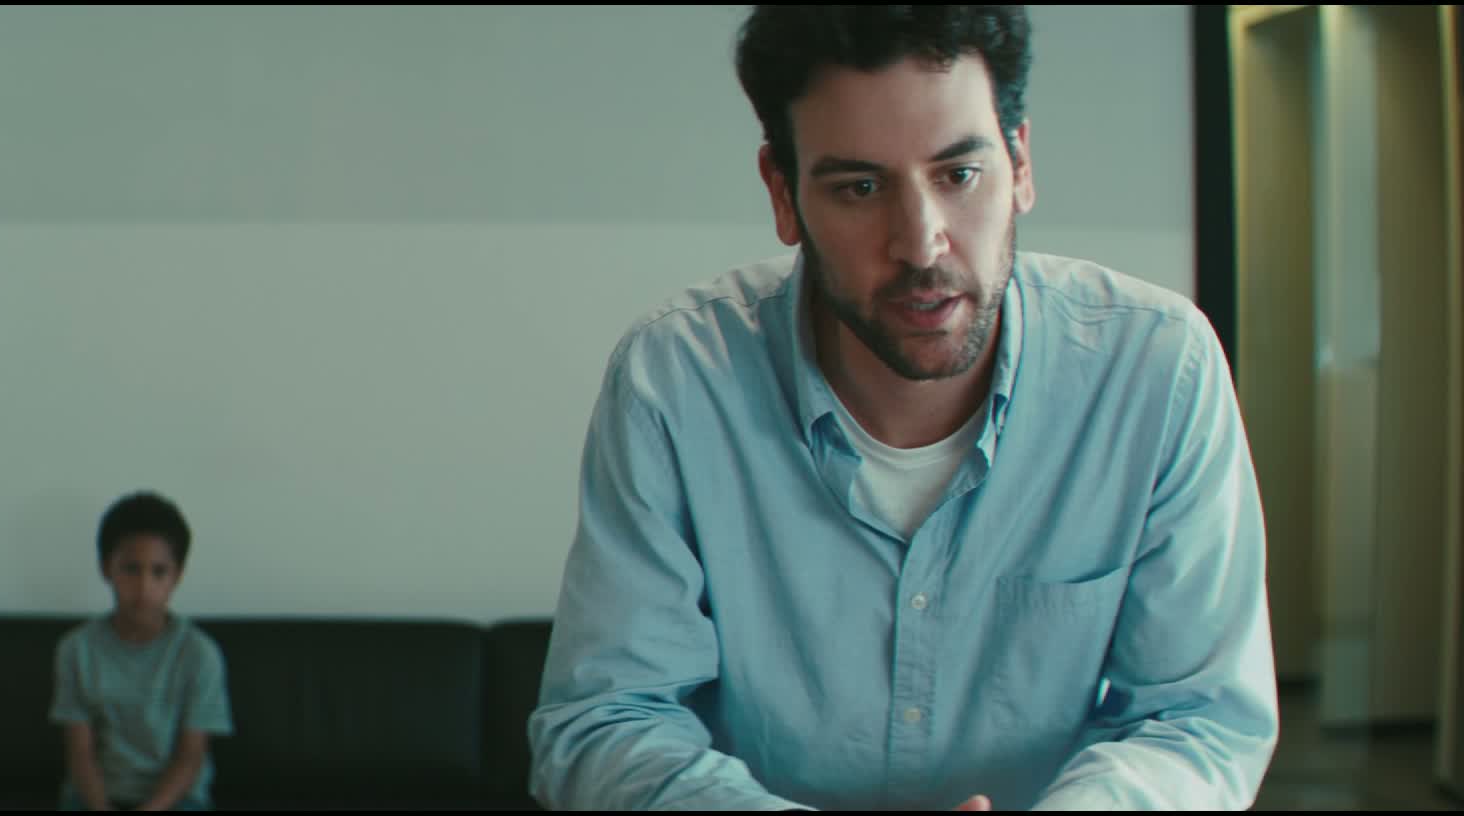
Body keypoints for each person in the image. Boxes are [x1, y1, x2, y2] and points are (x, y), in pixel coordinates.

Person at [527, 5, 1278, 811]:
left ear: (1021, 165)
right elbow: (605, 723)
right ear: (784, 194)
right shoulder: (676, 381)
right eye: (860, 187)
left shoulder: (1157, 371)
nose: (921, 245)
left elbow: (1197, 720)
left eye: (959, 175)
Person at [50, 491, 233, 811]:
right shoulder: (76, 650)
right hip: (94, 798)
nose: (144, 587)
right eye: (131, 569)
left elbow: (191, 756)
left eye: (159, 572)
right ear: (106, 569)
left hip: (175, 801)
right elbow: (80, 753)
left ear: (177, 575)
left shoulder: (199, 655)